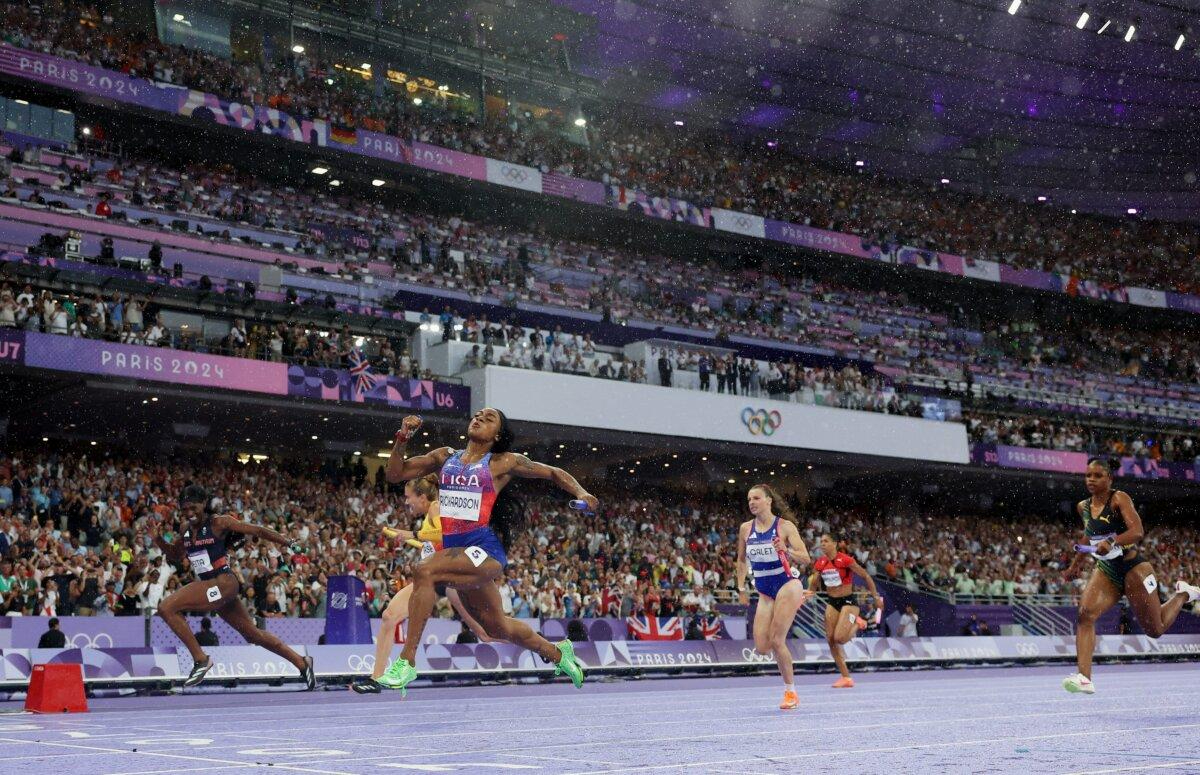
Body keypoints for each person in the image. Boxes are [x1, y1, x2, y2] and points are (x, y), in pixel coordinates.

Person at [373, 409, 598, 694]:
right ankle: (558, 653)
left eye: (488, 419)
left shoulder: (502, 463)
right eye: (477, 415)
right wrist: (403, 437)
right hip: (458, 556)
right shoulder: (445, 457)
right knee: (496, 628)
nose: (478, 418)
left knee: (424, 570)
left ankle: (405, 662)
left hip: (484, 551)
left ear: (498, 435)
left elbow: (553, 472)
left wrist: (581, 493)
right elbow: (395, 474)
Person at [153, 484, 315, 689]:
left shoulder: (220, 522)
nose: (189, 513)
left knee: (167, 607)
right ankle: (302, 662)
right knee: (253, 635)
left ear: (203, 504)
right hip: (213, 588)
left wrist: (288, 542)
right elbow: (176, 554)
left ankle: (201, 659)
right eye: (184, 510)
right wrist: (157, 539)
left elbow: (257, 530)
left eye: (193, 508)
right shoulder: (185, 530)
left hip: (224, 583)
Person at [1062, 458, 1200, 694]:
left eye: (1097, 476)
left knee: (1154, 630)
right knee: (1085, 614)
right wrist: (1075, 564)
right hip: (1107, 571)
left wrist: (1112, 540)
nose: (1091, 480)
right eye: (1088, 476)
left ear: (1109, 478)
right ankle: (1084, 678)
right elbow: (1088, 536)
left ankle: (1183, 595)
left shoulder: (1119, 498)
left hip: (1134, 569)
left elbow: (1137, 531)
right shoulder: (1082, 506)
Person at [350, 474, 491, 694]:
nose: (407, 502)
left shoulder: (436, 507)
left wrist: (411, 534)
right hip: (433, 580)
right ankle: (376, 679)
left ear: (423, 497)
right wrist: (409, 539)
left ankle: (538, 645)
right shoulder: (429, 513)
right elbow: (433, 543)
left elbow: (445, 535)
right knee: (389, 617)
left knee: (486, 631)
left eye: (409, 497)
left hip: (452, 577)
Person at [735, 484, 811, 710]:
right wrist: (741, 588)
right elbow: (740, 560)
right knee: (762, 647)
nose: (751, 502)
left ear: (769, 501)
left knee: (778, 641)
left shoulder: (785, 527)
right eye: (749, 499)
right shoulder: (745, 529)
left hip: (787, 584)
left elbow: (806, 558)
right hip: (765, 592)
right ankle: (797, 599)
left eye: (756, 498)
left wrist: (785, 550)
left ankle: (791, 693)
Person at [809, 533, 883, 688]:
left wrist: (875, 597)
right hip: (832, 602)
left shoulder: (846, 560)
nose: (822, 544)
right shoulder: (820, 562)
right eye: (821, 541)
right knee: (830, 640)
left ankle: (858, 623)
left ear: (834, 544)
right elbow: (815, 581)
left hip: (848, 601)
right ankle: (846, 678)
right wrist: (809, 592)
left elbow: (866, 576)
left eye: (826, 541)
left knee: (840, 639)